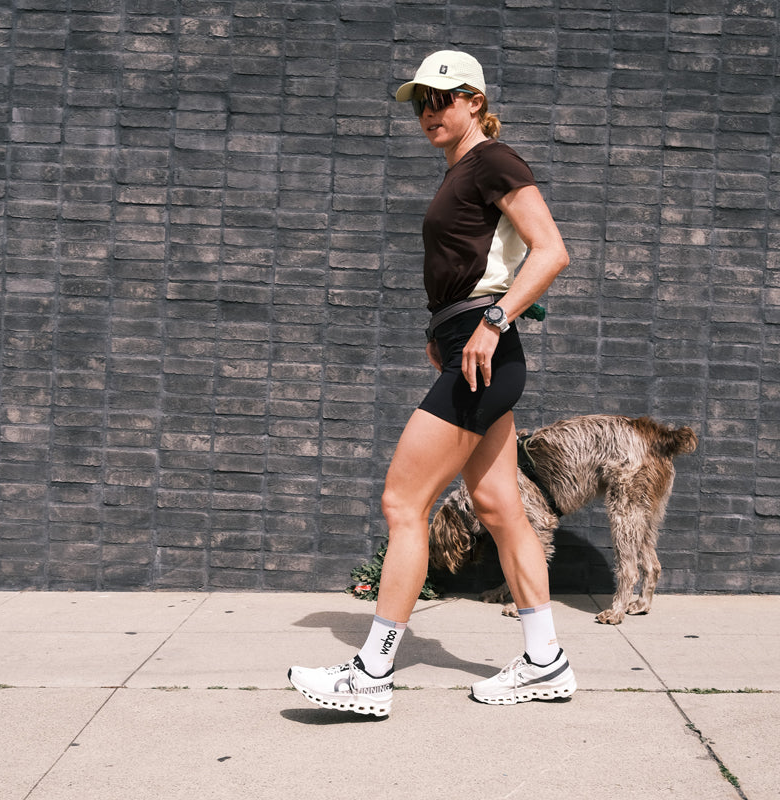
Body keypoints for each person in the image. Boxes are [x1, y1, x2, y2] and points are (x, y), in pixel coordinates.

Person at [288, 50, 574, 716]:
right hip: (466, 348)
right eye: (420, 101)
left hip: (483, 353)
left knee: (402, 504)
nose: (428, 112)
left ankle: (371, 673)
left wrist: (492, 321)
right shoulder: (461, 173)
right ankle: (545, 660)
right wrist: (445, 326)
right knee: (501, 508)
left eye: (442, 98)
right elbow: (468, 266)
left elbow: (552, 249)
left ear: (475, 100)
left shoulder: (494, 161)